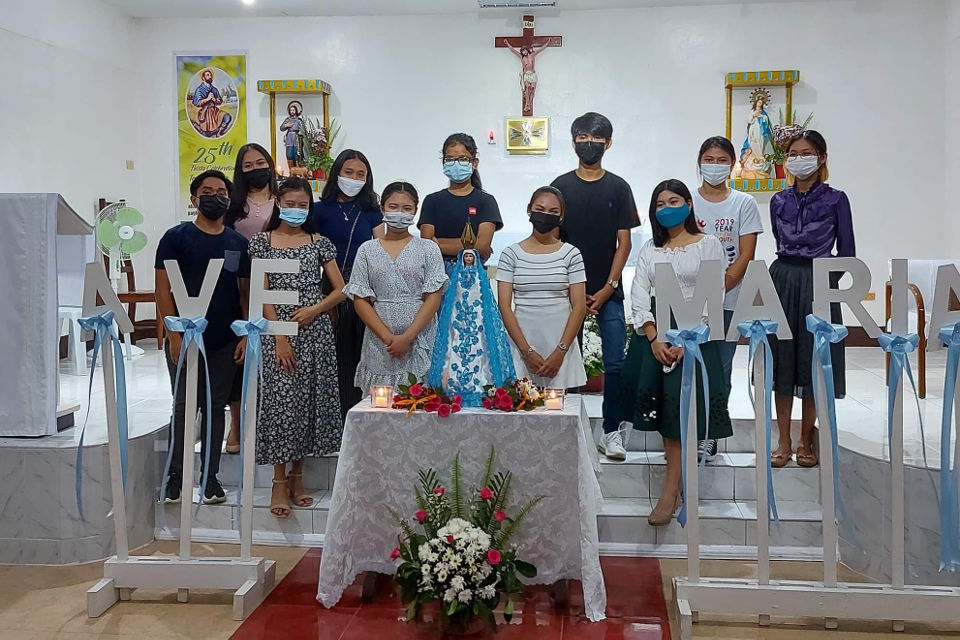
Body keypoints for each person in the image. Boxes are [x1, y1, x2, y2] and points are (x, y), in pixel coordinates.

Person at [616, 179, 732, 525]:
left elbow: (716, 294)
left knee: (687, 411)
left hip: (697, 339)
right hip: (656, 337)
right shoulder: (650, 249)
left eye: (675, 201)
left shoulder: (708, 244)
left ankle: (679, 485)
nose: (667, 209)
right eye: (660, 204)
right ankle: (672, 487)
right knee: (668, 415)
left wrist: (688, 340)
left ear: (689, 206)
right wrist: (653, 337)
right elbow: (639, 293)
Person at [248, 177, 346, 518]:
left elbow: (340, 289)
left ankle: (297, 478)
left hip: (315, 330)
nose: (296, 210)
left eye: (302, 205)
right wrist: (280, 336)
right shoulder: (263, 242)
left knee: (306, 402)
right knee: (280, 405)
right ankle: (277, 481)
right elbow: (259, 293)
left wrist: (315, 310)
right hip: (278, 332)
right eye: (290, 203)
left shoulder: (319, 242)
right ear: (278, 202)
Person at [155, 169, 250, 505]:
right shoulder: (176, 238)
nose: (215, 195)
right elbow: (163, 288)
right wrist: (174, 334)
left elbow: (244, 293)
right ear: (194, 199)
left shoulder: (238, 243)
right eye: (207, 190)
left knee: (214, 409)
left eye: (221, 190)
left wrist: (243, 334)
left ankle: (210, 478)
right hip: (186, 339)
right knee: (183, 408)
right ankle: (176, 478)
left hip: (224, 341)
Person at [551, 112, 640, 461]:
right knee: (565, 359)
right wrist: (574, 289)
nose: (590, 143)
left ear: (609, 142)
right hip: (566, 290)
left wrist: (608, 287)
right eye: (583, 136)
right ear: (573, 141)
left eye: (597, 138)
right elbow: (553, 239)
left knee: (616, 362)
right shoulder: (559, 185)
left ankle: (611, 432)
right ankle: (567, 427)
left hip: (609, 291)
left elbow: (625, 244)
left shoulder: (619, 187)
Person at [769, 130, 854, 468]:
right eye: (793, 152)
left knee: (814, 361)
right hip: (783, 278)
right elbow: (779, 238)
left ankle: (806, 438)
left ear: (821, 158)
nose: (799, 158)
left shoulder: (836, 199)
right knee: (782, 358)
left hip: (820, 280)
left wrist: (825, 287)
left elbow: (847, 252)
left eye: (806, 152)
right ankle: (783, 439)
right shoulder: (778, 200)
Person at [692, 135, 763, 461]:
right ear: (699, 162)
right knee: (692, 365)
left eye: (722, 159)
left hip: (730, 297)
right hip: (690, 299)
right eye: (710, 158)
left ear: (733, 164)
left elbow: (746, 253)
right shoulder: (688, 201)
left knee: (720, 366)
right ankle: (689, 428)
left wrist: (720, 286)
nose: (715, 165)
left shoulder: (743, 203)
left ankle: (712, 433)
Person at [346, 182, 447, 391]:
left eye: (406, 208)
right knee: (379, 403)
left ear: (415, 212)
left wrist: (408, 337)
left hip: (420, 335)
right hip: (379, 337)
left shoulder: (428, 248)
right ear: (382, 208)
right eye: (393, 207)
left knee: (421, 399)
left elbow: (434, 297)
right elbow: (360, 299)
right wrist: (388, 337)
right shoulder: (367, 249)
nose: (399, 213)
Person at [312, 149, 383, 422]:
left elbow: (379, 250)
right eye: (349, 173)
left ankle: (358, 415)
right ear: (337, 174)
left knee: (359, 350)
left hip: (364, 289)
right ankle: (334, 419)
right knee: (333, 354)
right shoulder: (319, 210)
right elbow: (315, 249)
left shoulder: (371, 211)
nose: (354, 178)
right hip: (329, 286)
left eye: (361, 174)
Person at [497, 186, 588, 390]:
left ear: (562, 216)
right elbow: (504, 306)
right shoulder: (511, 254)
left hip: (561, 346)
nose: (545, 215)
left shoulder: (571, 254)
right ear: (529, 210)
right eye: (540, 209)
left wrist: (560, 352)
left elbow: (579, 306)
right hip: (522, 344)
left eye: (553, 212)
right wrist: (526, 351)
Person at [223, 143, 280, 454]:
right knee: (239, 354)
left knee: (273, 354)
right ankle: (236, 424)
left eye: (260, 162)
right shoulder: (233, 205)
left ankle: (269, 421)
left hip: (278, 284)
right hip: (239, 285)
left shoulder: (284, 201)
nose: (255, 168)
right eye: (248, 165)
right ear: (240, 172)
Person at [428, 226, 515, 406]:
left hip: (476, 317)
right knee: (455, 346)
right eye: (466, 256)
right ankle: (452, 386)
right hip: (458, 317)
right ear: (462, 258)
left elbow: (481, 296)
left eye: (471, 256)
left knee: (480, 346)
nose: (468, 259)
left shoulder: (479, 277)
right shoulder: (457, 277)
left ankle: (483, 385)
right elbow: (453, 296)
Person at [418, 133, 503, 275]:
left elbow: (482, 246)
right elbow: (427, 245)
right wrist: (470, 245)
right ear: (443, 162)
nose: (456, 164)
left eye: (463, 159)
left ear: (474, 163)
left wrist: (439, 244)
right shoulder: (432, 201)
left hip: (472, 275)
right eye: (450, 159)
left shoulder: (486, 201)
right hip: (438, 275)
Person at [279, 101, 304, 168]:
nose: (292, 111)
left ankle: (298, 170)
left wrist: (300, 132)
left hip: (296, 138)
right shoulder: (287, 119)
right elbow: (281, 128)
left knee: (296, 155)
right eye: (291, 110)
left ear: (296, 110)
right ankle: (291, 171)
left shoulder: (299, 120)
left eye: (293, 110)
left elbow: (303, 129)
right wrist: (286, 125)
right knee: (289, 154)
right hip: (289, 138)